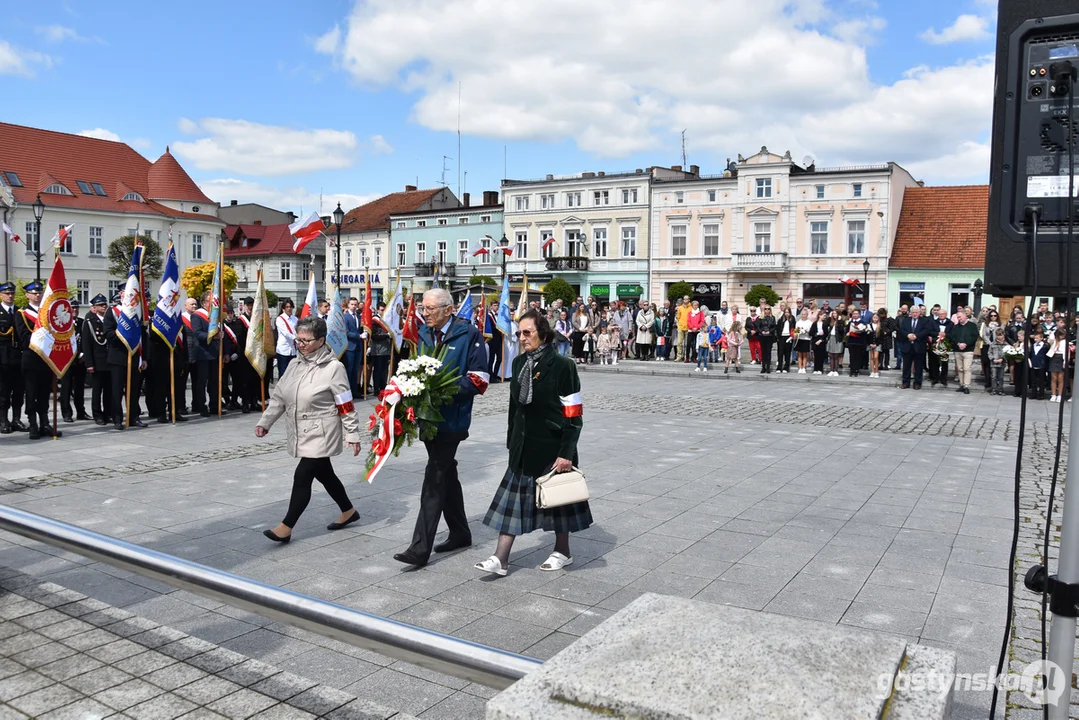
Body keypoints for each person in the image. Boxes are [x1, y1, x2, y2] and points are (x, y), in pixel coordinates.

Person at [476, 309, 589, 577]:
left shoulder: (564, 366)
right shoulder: (518, 364)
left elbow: (574, 414)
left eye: (527, 333)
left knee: (559, 503)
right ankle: (501, 558)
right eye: (519, 333)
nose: (522, 338)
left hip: (552, 446)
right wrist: (511, 442)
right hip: (523, 447)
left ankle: (563, 551)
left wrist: (566, 453)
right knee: (512, 505)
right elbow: (515, 408)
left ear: (543, 334)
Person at [394, 288, 489, 568]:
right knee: (446, 473)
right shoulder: (423, 333)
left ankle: (419, 548)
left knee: (434, 476)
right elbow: (416, 370)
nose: (425, 313)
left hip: (452, 418)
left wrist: (440, 390)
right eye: (424, 308)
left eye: (431, 309)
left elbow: (480, 379)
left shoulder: (468, 334)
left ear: (448, 309)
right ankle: (460, 532)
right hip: (428, 418)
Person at [257, 317, 363, 543]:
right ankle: (348, 510)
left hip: (322, 432)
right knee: (325, 474)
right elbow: (279, 397)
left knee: (303, 474)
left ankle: (286, 526)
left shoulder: (334, 368)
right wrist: (265, 422)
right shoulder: (295, 364)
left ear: (321, 340)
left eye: (306, 340)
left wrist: (352, 434)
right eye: (298, 339)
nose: (301, 344)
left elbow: (345, 404)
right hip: (300, 430)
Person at [15, 281, 61, 439]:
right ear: (27, 295)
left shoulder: (47, 314)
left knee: (44, 393)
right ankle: (33, 424)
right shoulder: (21, 314)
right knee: (32, 393)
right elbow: (24, 337)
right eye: (33, 293)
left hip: (46, 359)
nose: (37, 295)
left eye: (39, 292)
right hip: (31, 359)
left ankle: (45, 423)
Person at [102, 292, 148, 431]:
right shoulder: (112, 312)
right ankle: (117, 419)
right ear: (121, 296)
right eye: (125, 294)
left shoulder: (137, 312)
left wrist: (144, 357)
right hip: (118, 357)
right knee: (116, 390)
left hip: (134, 356)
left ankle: (133, 417)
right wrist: (124, 336)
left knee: (134, 390)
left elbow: (143, 336)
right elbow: (108, 333)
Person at [0, 281, 27, 433]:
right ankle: (3, 420)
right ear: (1, 295)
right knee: (3, 391)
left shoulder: (19, 312)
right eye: (7, 293)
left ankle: (16, 419)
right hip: (2, 358)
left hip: (18, 357)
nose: (10, 296)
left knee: (18, 390)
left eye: (12, 293)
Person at [59, 299, 88, 423]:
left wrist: (83, 354)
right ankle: (66, 413)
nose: (75, 310)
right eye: (72, 308)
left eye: (76, 308)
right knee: (66, 388)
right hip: (67, 361)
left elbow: (86, 340)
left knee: (79, 388)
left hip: (80, 360)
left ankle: (81, 412)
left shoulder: (82, 322)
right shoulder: (62, 323)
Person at [899, 305, 935, 390]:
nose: (915, 314)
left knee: (919, 366)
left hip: (919, 346)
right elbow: (902, 330)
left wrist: (916, 336)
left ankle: (917, 383)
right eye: (913, 312)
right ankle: (905, 382)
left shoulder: (924, 321)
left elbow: (926, 330)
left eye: (916, 312)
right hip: (907, 346)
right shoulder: (906, 320)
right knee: (906, 366)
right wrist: (908, 335)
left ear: (919, 313)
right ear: (910, 313)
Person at [948, 310, 979, 395]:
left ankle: (966, 385)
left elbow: (975, 336)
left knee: (967, 368)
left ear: (965, 316)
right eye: (957, 317)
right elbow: (952, 337)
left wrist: (966, 344)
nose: (959, 318)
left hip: (968, 350)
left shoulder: (972, 326)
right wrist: (958, 343)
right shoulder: (956, 327)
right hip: (958, 350)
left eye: (960, 317)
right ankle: (961, 384)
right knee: (960, 368)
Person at [343, 296, 364, 400]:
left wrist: (364, 334)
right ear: (348, 305)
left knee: (355, 370)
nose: (354, 306)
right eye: (352, 304)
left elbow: (361, 329)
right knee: (349, 370)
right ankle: (348, 392)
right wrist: (358, 336)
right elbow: (346, 332)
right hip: (350, 347)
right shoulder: (345, 317)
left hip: (358, 346)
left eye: (355, 304)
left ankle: (355, 391)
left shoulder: (359, 316)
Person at [370, 303, 392, 395]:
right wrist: (386, 335)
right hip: (378, 349)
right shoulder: (375, 321)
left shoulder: (387, 320)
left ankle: (383, 387)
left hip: (386, 348)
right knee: (378, 369)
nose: (383, 312)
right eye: (382, 310)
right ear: (378, 310)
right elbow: (374, 336)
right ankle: (376, 388)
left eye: (385, 310)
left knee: (384, 369)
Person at [275, 299, 298, 379]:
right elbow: (285, 333)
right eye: (287, 307)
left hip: (293, 350)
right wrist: (296, 337)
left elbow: (298, 330)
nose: (289, 308)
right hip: (283, 350)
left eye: (291, 307)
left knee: (292, 374)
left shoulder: (295, 319)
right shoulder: (279, 319)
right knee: (283, 373)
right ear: (283, 309)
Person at [1048, 328, 1068, 403]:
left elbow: (1066, 352)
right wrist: (1054, 333)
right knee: (1053, 377)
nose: (1062, 337)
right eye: (1061, 335)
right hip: (1054, 357)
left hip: (1061, 359)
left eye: (1063, 335)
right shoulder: (1054, 341)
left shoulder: (1065, 342)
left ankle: (1060, 395)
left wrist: (1065, 361)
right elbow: (1050, 339)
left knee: (1060, 378)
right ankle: (1053, 395)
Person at [486, 300, 504, 380]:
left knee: (500, 358)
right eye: (494, 305)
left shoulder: (499, 316)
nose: (496, 307)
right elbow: (492, 327)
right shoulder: (489, 316)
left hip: (499, 340)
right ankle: (490, 375)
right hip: (492, 340)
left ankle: (495, 374)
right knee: (491, 358)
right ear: (491, 307)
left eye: (497, 305)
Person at [756, 305, 776, 374]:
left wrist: (769, 331)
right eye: (765, 309)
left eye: (768, 309)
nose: (767, 310)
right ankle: (763, 367)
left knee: (768, 352)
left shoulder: (772, 318)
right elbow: (758, 327)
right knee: (763, 352)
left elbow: (774, 327)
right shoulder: (760, 318)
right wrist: (762, 331)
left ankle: (768, 367)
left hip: (769, 336)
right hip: (762, 336)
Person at [1029, 329, 1049, 400]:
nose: (1035, 339)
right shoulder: (1033, 345)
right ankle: (1033, 394)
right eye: (1034, 338)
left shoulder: (1045, 346)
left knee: (1041, 381)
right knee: (1033, 381)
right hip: (1034, 364)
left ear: (1041, 338)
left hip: (1042, 365)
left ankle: (1041, 394)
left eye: (1037, 338)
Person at [988, 328, 1007, 396]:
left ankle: (1000, 389)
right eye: (997, 335)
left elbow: (1007, 353)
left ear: (1003, 335)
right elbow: (989, 352)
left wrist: (1002, 359)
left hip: (1002, 363)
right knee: (993, 376)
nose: (999, 337)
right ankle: (994, 389)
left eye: (1000, 335)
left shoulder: (1006, 344)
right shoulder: (993, 344)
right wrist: (993, 359)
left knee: (1001, 377)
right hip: (994, 363)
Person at [826, 309, 845, 376]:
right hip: (831, 338)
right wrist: (829, 317)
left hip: (837, 339)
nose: (834, 315)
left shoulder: (841, 321)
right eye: (833, 313)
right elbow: (825, 324)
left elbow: (841, 330)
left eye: (835, 313)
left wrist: (839, 321)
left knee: (836, 355)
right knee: (831, 355)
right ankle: (831, 370)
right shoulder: (830, 320)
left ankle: (836, 370)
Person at [775, 306, 794, 373]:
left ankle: (786, 367)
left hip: (789, 337)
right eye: (785, 312)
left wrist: (793, 336)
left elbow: (796, 328)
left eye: (788, 312)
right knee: (780, 353)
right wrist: (778, 336)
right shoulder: (781, 319)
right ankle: (779, 367)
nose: (786, 314)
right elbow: (777, 328)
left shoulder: (792, 319)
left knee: (787, 353)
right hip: (782, 337)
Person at [809, 310, 828, 375]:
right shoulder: (815, 323)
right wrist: (817, 334)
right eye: (824, 316)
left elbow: (826, 334)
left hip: (822, 341)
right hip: (815, 340)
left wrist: (821, 340)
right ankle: (816, 369)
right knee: (816, 356)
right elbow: (811, 333)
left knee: (821, 356)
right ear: (820, 315)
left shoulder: (825, 324)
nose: (825, 317)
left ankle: (820, 369)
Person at [795, 308, 812, 374]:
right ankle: (800, 367)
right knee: (799, 354)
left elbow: (810, 332)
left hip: (806, 339)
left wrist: (806, 331)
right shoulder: (798, 322)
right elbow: (796, 332)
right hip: (800, 339)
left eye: (805, 314)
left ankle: (804, 367)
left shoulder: (809, 322)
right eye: (802, 314)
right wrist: (799, 332)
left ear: (807, 315)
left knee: (805, 354)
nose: (803, 315)